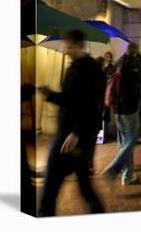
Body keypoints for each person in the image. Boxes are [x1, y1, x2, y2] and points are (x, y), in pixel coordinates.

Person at [38, 30, 105, 216]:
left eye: (68, 46)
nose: (65, 50)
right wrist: (50, 94)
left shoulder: (92, 70)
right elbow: (70, 100)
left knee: (52, 184)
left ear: (77, 45)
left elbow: (92, 106)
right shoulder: (73, 67)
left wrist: (77, 132)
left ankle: (45, 214)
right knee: (83, 186)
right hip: (68, 134)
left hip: (74, 137)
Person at [101, 42, 141, 185]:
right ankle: (114, 168)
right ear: (135, 52)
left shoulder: (119, 62)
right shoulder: (135, 62)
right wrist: (140, 67)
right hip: (130, 109)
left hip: (117, 110)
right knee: (131, 141)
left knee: (124, 143)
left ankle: (127, 176)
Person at [102, 51, 115, 142]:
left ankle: (105, 133)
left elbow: (112, 78)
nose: (106, 58)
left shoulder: (112, 68)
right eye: (105, 56)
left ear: (110, 58)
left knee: (106, 113)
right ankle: (102, 132)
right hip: (101, 92)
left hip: (107, 92)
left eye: (108, 56)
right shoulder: (102, 66)